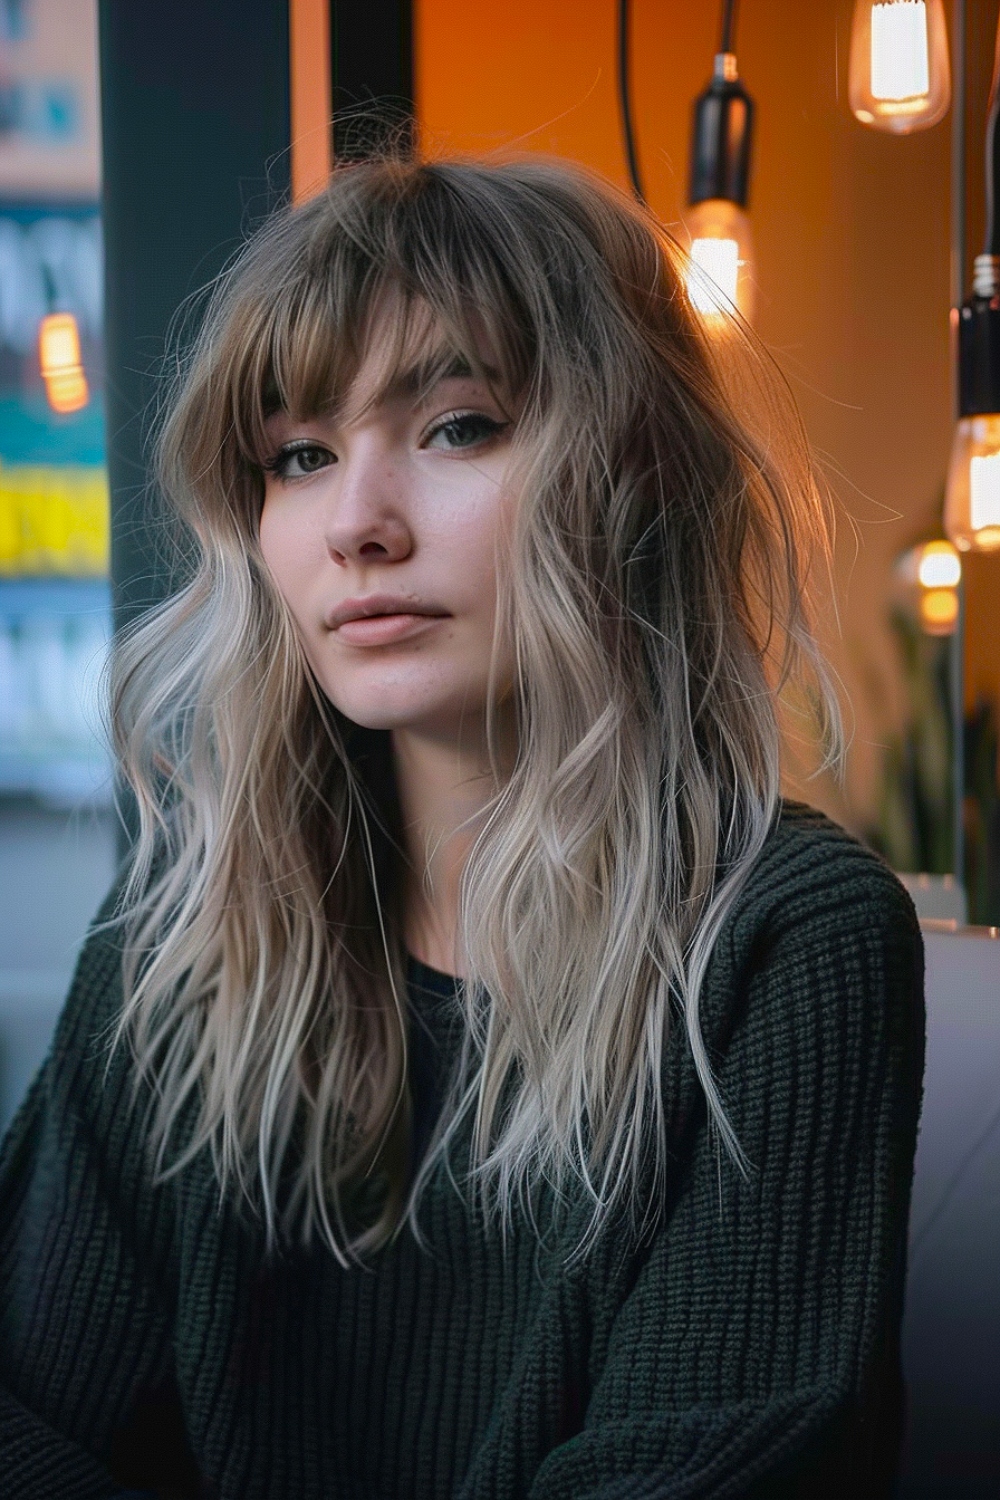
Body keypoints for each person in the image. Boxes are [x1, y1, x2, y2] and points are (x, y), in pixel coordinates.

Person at [0, 155, 924, 1500]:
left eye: (458, 427)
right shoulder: (181, 936)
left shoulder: (787, 945)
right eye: (300, 457)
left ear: (634, 474)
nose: (357, 527)